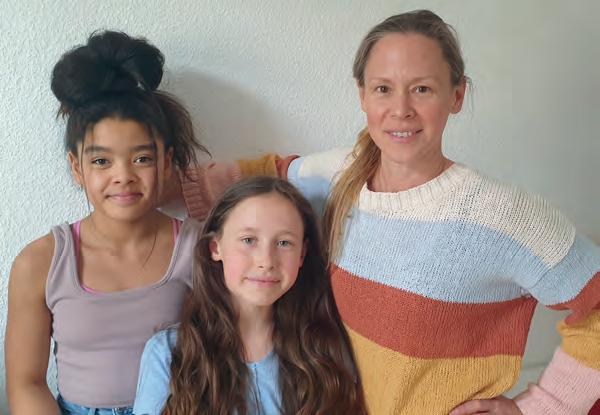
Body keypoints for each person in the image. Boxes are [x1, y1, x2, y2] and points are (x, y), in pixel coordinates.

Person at [178, 10, 600, 415]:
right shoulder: (338, 175)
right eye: (383, 88)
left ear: (456, 95)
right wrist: (153, 183)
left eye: (422, 89)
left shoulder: (502, 216)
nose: (401, 109)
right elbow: (269, 174)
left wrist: (543, 407)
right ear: (362, 94)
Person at [4, 31, 275, 415]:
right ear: (76, 168)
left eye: (141, 159)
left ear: (166, 162)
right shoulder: (39, 263)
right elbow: (26, 383)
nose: (123, 176)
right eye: (101, 161)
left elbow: (234, 351)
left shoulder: (201, 249)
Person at [133, 176, 366, 414]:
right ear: (215, 247)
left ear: (302, 254)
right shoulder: (168, 353)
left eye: (284, 243)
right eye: (248, 240)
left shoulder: (324, 349)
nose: (266, 261)